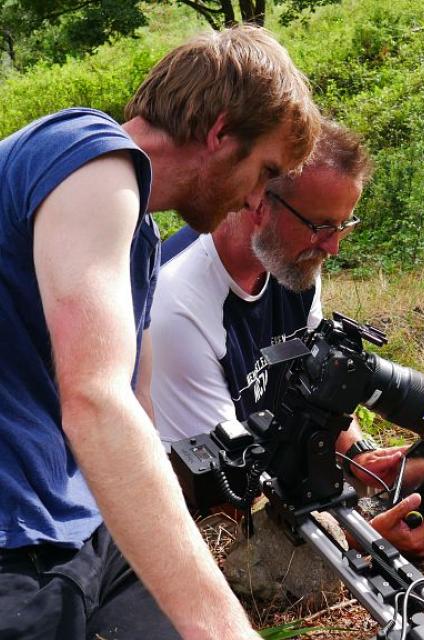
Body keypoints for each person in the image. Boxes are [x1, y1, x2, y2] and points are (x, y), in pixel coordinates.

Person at [0, 25, 320, 640]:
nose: (258, 200)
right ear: (221, 131)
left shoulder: (142, 239)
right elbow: (96, 401)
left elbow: (138, 415)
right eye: (264, 172)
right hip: (14, 542)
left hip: (81, 527)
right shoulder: (90, 156)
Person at [150, 119, 424, 559]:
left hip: (266, 464)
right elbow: (223, 501)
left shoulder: (290, 265)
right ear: (258, 199)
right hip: (186, 504)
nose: (334, 247)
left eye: (344, 226)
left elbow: (317, 387)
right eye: (322, 227)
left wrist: (357, 454)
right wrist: (361, 542)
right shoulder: (176, 307)